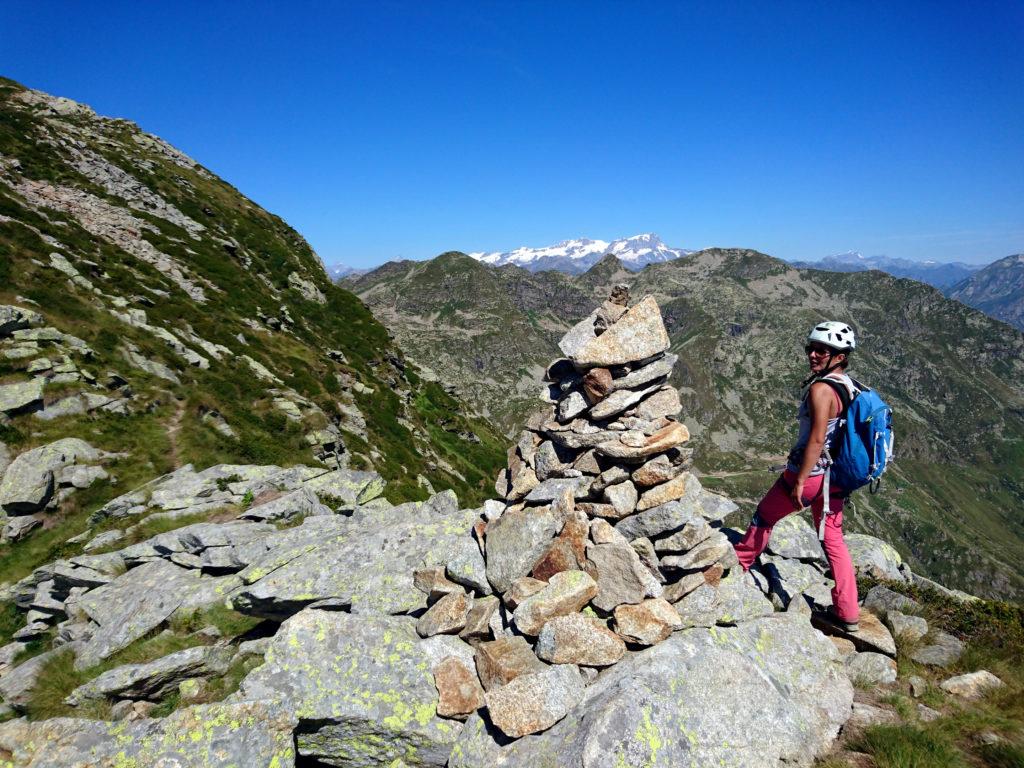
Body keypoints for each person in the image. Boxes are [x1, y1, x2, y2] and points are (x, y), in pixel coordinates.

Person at [733, 321, 860, 631]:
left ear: (839, 355)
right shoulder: (851, 386)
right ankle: (848, 612)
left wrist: (800, 481)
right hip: (836, 478)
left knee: (764, 516)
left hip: (812, 474)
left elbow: (817, 439)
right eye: (811, 348)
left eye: (822, 350)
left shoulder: (821, 389)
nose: (813, 354)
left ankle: (736, 568)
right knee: (833, 540)